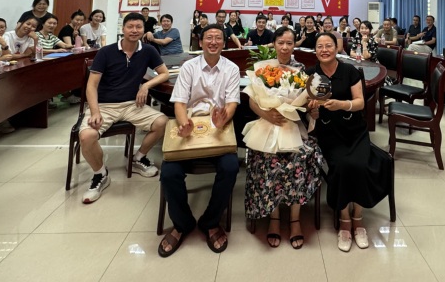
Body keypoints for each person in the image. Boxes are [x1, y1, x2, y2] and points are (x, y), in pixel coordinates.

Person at [159, 24, 240, 257]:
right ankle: (182, 223)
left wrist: (223, 118)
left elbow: (232, 102)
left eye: (218, 38)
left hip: (218, 127)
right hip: (191, 126)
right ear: (201, 41)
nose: (213, 42)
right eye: (209, 38)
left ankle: (210, 222)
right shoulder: (189, 67)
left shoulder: (232, 68)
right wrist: (184, 123)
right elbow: (179, 102)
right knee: (169, 172)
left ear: (224, 42)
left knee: (230, 167)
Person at [307, 32, 391, 252]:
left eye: (328, 45)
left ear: (336, 48)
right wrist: (312, 111)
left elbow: (360, 103)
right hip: (328, 132)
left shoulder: (349, 71)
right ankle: (344, 219)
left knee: (360, 165)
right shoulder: (310, 74)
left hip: (354, 130)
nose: (324, 50)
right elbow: (307, 108)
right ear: (315, 51)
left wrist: (342, 105)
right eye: (320, 46)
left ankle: (358, 218)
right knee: (342, 166)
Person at [245, 27, 324, 249]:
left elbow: (306, 104)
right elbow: (252, 99)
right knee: (267, 158)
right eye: (281, 42)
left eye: (289, 43)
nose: (285, 47)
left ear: (294, 45)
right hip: (267, 125)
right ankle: (274, 216)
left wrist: (313, 110)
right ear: (274, 44)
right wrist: (266, 114)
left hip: (293, 126)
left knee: (299, 159)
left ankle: (295, 218)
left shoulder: (301, 70)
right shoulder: (263, 67)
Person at [79, 12, 170, 204]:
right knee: (87, 136)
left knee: (162, 122)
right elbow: (91, 86)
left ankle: (138, 158)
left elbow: (164, 73)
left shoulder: (148, 50)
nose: (134, 30)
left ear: (143, 30)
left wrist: (145, 86)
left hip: (131, 104)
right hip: (104, 105)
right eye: (130, 26)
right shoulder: (106, 52)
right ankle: (100, 174)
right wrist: (95, 111)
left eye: (139, 27)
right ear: (123, 29)